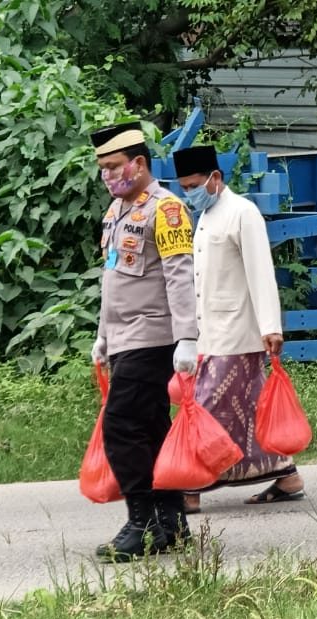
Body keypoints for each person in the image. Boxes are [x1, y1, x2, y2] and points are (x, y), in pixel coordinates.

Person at [171, 145, 305, 514]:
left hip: (237, 333)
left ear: (215, 178)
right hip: (209, 332)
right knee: (249, 409)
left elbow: (261, 271)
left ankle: (191, 484)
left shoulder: (242, 213)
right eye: (184, 186)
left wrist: (271, 327)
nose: (189, 192)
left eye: (194, 184)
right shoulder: (204, 216)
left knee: (205, 406)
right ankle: (285, 474)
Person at [89, 121, 198, 561]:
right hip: (122, 338)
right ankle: (170, 521)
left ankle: (140, 522)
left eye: (114, 166)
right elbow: (112, 279)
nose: (108, 176)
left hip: (153, 338)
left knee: (121, 426)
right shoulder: (116, 211)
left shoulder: (166, 210)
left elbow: (180, 276)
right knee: (152, 427)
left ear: (139, 163)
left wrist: (187, 338)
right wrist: (102, 335)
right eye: (102, 169)